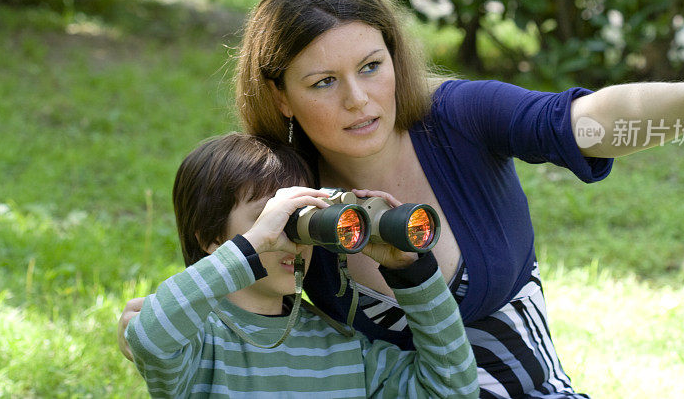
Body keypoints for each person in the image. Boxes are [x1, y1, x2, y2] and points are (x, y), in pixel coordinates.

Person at [119, 0, 684, 398]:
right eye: (324, 82)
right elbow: (229, 285)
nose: (359, 99)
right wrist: (159, 321)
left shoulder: (456, 116)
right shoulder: (292, 199)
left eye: (372, 66)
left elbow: (581, 121)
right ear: (281, 95)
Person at [123, 132, 478, 398]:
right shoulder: (197, 338)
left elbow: (452, 390)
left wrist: (411, 273)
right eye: (270, 217)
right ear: (210, 238)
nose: (287, 235)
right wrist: (254, 243)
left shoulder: (341, 345)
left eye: (299, 219)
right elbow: (151, 341)